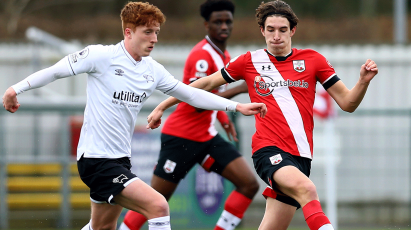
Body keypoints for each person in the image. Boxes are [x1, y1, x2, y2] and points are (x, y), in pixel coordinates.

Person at [2, 2, 267, 230]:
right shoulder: (101, 56)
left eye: (157, 33)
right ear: (128, 32)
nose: (154, 39)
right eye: (148, 32)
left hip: (120, 159)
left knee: (103, 226)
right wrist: (16, 88)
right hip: (96, 159)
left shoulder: (152, 70)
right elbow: (56, 71)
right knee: (158, 206)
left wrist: (236, 107)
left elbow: (190, 94)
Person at [145, 1, 379, 230]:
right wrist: (164, 105)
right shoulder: (249, 61)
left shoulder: (313, 60)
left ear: (292, 31)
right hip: (269, 151)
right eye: (270, 30)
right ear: (262, 31)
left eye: (282, 30)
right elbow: (204, 83)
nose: (276, 36)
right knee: (307, 190)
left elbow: (348, 103)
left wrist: (362, 82)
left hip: (301, 157)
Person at [119, 1, 259, 230]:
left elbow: (214, 95)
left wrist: (223, 121)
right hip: (181, 139)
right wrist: (240, 89)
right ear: (206, 24)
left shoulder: (224, 55)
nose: (224, 26)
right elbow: (196, 102)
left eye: (228, 21)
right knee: (155, 201)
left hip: (206, 139)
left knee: (248, 184)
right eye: (218, 21)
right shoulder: (201, 57)